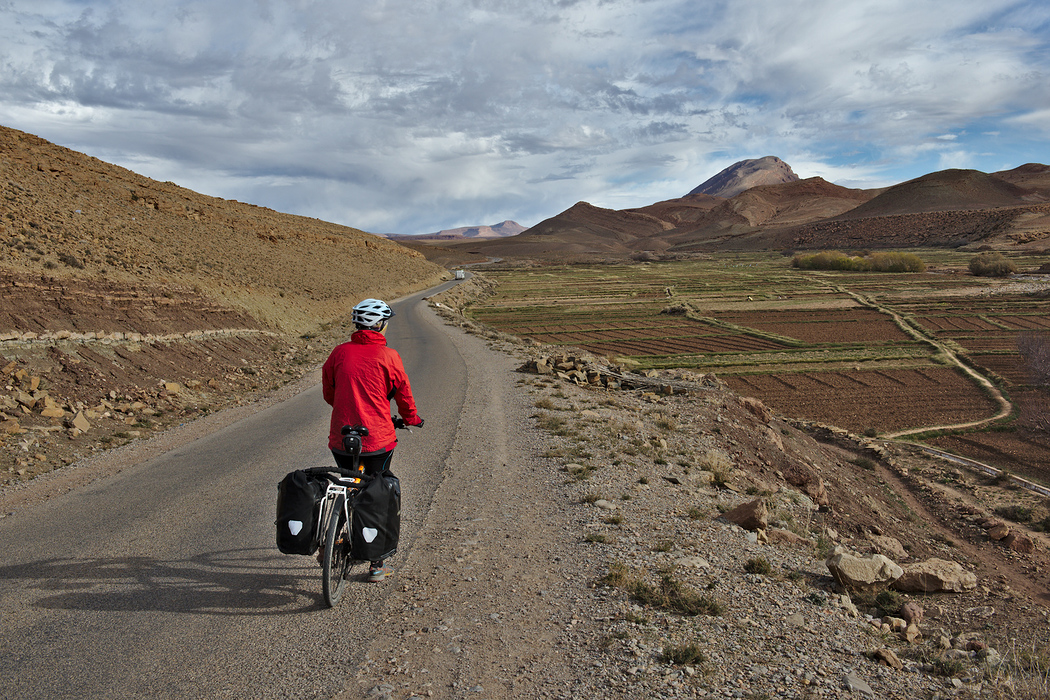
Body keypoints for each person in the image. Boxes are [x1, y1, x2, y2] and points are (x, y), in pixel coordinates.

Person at [321, 298, 423, 582]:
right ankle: (376, 563)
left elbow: (329, 392)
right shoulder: (389, 356)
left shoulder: (338, 353)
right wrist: (412, 419)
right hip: (377, 438)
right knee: (376, 490)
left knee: (348, 481)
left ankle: (329, 537)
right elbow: (403, 394)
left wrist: (347, 410)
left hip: (341, 436)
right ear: (380, 325)